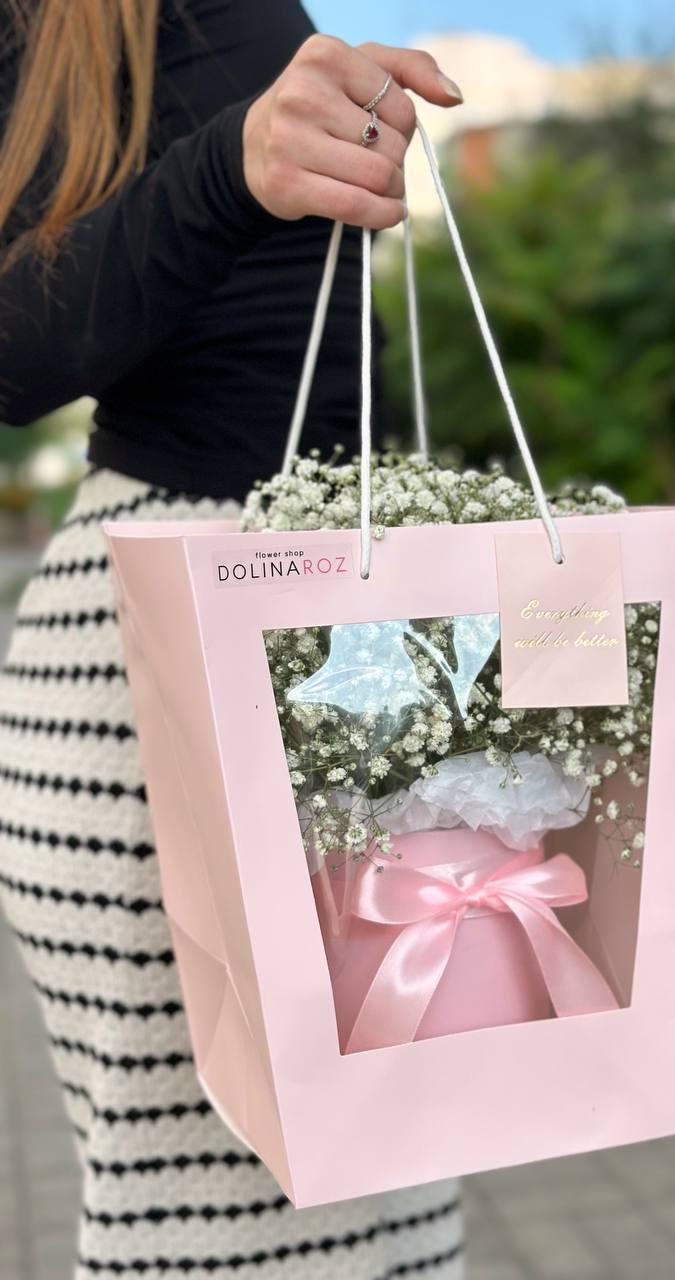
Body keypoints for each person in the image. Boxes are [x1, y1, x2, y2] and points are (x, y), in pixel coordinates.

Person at [0, 1, 466, 1275]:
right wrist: (229, 168)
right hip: (163, 642)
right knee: (217, 1227)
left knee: (390, 1184)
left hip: (330, 622)